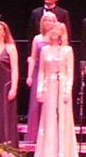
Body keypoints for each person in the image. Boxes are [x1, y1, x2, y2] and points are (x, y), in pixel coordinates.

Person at [34, 22, 79, 157]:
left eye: (57, 30)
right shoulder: (45, 50)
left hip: (62, 85)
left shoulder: (67, 50)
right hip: (49, 87)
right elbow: (41, 71)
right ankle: (48, 153)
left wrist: (67, 90)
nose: (54, 32)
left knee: (63, 118)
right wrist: (39, 90)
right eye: (52, 30)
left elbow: (70, 71)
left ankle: (63, 153)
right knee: (49, 118)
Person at [25, 12, 61, 143]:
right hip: (38, 73)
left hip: (52, 74)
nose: (48, 23)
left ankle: (50, 135)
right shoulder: (37, 38)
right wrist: (29, 76)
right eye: (45, 21)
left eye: (51, 21)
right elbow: (33, 58)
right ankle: (35, 135)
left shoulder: (58, 38)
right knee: (36, 104)